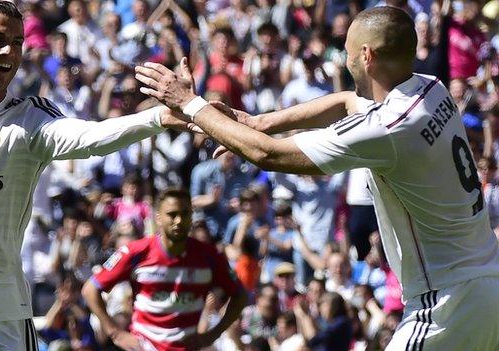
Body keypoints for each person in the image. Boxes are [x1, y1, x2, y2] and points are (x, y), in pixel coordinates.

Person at [135, 6, 499, 350]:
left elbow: (268, 154)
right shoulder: (429, 88)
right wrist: (257, 122)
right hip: (487, 280)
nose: (345, 57)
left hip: (446, 303)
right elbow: (346, 101)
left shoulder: (387, 129)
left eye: (348, 50)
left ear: (367, 56)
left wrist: (190, 104)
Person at [0, 1, 195, 350]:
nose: (9, 50)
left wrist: (160, 117)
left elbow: (90, 138)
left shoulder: (30, 121)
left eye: (17, 42)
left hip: (0, 315)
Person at [82, 187, 247, 351]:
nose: (179, 221)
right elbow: (90, 290)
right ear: (158, 218)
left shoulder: (210, 256)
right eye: (172, 214)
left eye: (185, 214)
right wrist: (115, 333)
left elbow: (240, 295)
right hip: (144, 347)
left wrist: (213, 334)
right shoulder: (136, 252)